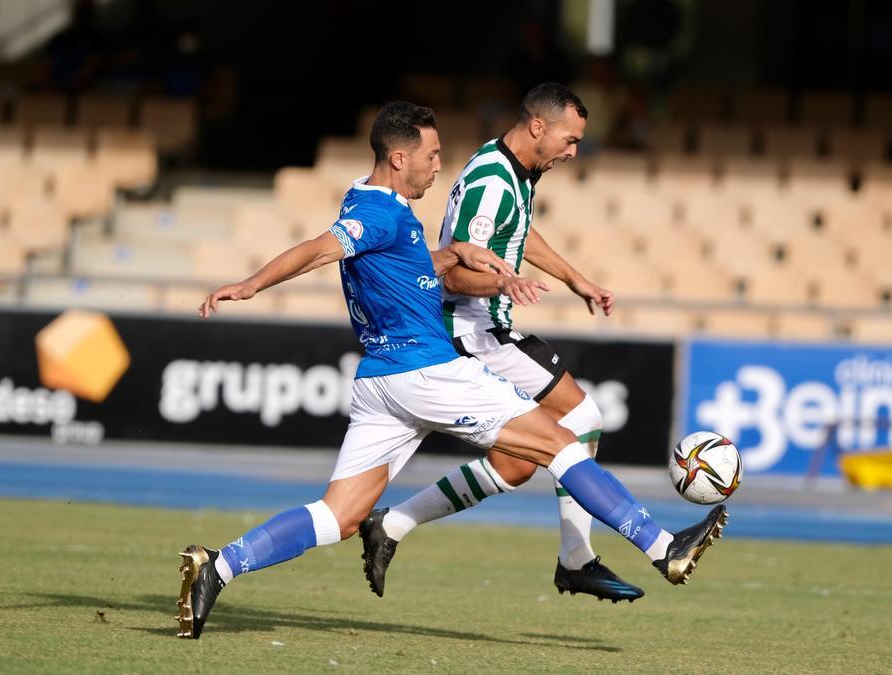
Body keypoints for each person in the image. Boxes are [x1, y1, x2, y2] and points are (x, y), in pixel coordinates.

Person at [176, 101, 728, 640]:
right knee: (561, 442)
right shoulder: (375, 213)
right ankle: (662, 548)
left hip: (380, 383)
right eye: (432, 155)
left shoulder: (380, 206)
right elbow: (320, 250)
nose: (440, 166)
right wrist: (251, 285)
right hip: (428, 370)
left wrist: (458, 251)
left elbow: (413, 269)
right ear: (398, 159)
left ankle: (218, 566)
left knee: (338, 517)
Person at [358, 83, 654, 603]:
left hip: (484, 325)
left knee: (518, 464)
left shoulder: (516, 171)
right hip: (473, 328)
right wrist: (503, 283)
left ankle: (393, 524)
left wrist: (574, 278)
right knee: (581, 420)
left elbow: (517, 235)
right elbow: (452, 271)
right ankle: (576, 560)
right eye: (569, 139)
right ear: (537, 126)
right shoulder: (492, 180)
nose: (573, 152)